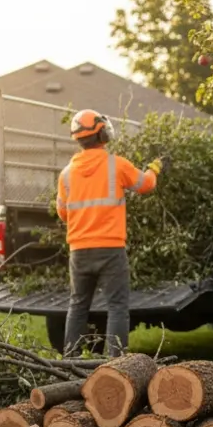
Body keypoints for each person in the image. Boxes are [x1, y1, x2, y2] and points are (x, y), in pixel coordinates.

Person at [57, 109, 163, 356]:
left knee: (78, 306)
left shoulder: (66, 174)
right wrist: (155, 168)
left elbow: (63, 213)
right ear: (102, 135)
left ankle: (69, 362)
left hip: (79, 251)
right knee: (116, 307)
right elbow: (146, 184)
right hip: (110, 250)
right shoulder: (116, 165)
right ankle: (116, 366)